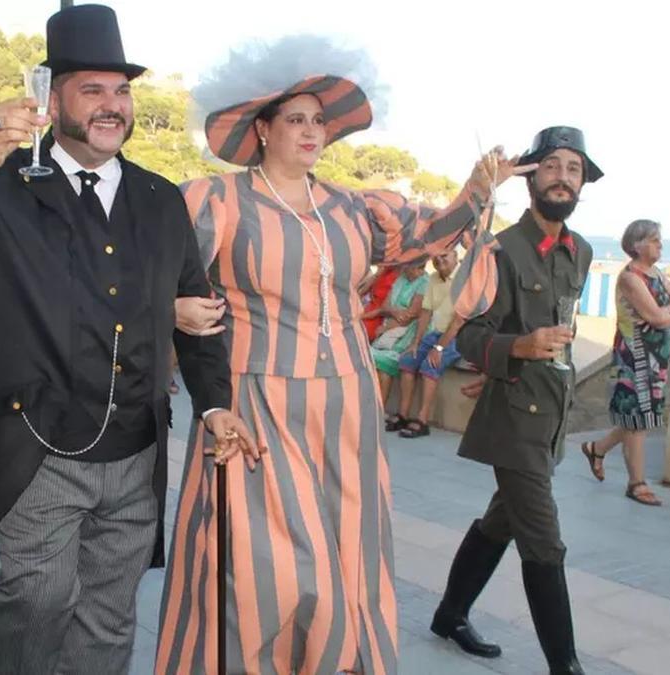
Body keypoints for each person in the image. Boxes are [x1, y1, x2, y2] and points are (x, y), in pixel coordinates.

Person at [0, 6, 249, 673]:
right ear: (50, 98)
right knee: (37, 596)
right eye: (93, 89)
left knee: (110, 612)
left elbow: (200, 312)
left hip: (135, 450)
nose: (112, 105)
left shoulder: (158, 198)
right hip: (38, 445)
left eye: (121, 91)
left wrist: (213, 403)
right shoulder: (5, 184)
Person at [162, 36, 521, 675]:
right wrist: (170, 309)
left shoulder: (354, 207)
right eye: (294, 118)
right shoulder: (215, 200)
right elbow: (150, 275)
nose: (310, 130)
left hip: (351, 408)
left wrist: (477, 185)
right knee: (272, 567)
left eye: (319, 120)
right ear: (263, 130)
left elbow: (430, 235)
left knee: (345, 551)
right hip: (259, 404)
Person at [429, 126, 600, 675]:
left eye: (573, 169)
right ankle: (565, 665)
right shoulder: (499, 248)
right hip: (513, 419)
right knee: (544, 543)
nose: (563, 177)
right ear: (531, 176)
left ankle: (450, 615)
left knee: (502, 521)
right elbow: (470, 335)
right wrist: (519, 346)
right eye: (551, 166)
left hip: (551, 412)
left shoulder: (583, 251)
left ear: (582, 184)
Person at [581, 219, 670, 506]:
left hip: (656, 358)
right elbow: (658, 317)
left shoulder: (655, 274)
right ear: (637, 244)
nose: (660, 244)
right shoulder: (630, 278)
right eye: (654, 240)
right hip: (634, 358)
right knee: (638, 420)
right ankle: (636, 484)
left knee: (643, 416)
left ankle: (597, 449)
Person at [392, 248, 465, 438]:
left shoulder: (464, 279)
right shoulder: (433, 278)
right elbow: (426, 312)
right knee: (407, 360)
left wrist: (439, 348)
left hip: (459, 336)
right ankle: (403, 414)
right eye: (436, 256)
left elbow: (459, 321)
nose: (439, 259)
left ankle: (422, 420)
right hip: (437, 333)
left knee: (429, 366)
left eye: (445, 254)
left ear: (455, 256)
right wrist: (416, 342)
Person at [371, 262, 429, 413]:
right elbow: (385, 306)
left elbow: (412, 314)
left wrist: (386, 327)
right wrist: (396, 313)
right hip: (391, 328)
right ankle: (374, 409)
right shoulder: (401, 279)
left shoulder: (424, 282)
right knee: (371, 360)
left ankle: (378, 410)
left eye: (416, 267)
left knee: (382, 362)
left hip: (407, 333)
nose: (405, 269)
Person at [360, 265, 400, 341]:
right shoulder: (385, 269)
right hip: (369, 304)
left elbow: (383, 309)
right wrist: (377, 275)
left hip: (380, 313)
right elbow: (362, 292)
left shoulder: (400, 278)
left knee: (363, 330)